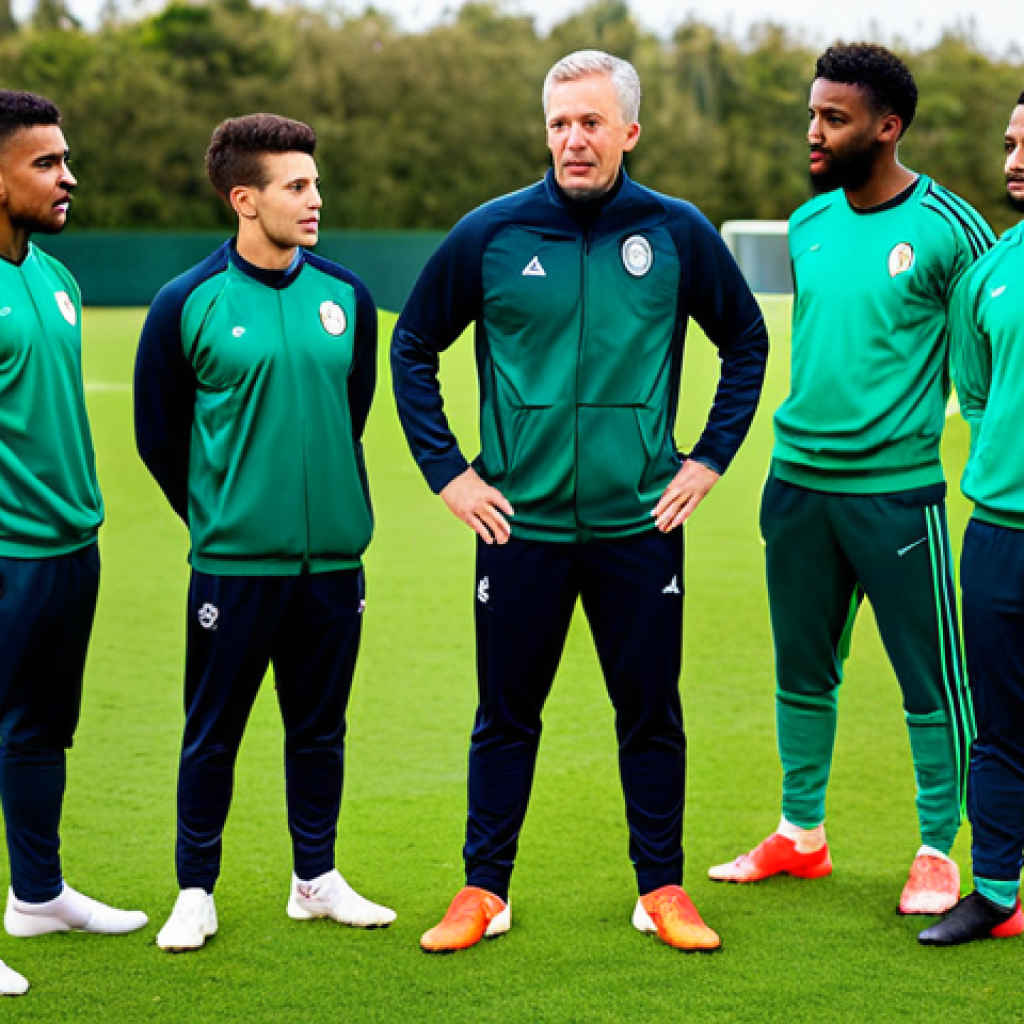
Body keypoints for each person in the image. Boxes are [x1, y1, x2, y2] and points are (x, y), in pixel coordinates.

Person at [393, 49, 769, 953]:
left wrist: (708, 459)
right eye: (560, 122)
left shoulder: (677, 233)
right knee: (504, 715)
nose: (573, 139)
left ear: (629, 131)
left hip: (639, 524)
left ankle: (662, 889)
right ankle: (484, 890)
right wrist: (451, 473)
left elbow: (745, 342)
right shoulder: (491, 233)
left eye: (591, 123)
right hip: (516, 524)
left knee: (650, 710)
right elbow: (412, 346)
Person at [709, 44, 994, 916]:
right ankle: (801, 834)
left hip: (896, 493)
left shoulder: (952, 229)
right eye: (812, 113)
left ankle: (936, 852)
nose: (815, 130)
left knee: (930, 679)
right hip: (796, 486)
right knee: (802, 669)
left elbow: (990, 354)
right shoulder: (807, 224)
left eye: (834, 117)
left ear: (887, 126)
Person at [134, 114, 394, 952]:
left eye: (314, 182)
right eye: (297, 186)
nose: (316, 198)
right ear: (245, 199)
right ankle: (195, 891)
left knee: (321, 730)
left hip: (332, 568)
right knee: (213, 732)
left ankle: (314, 880)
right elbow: (160, 437)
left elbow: (351, 413)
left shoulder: (348, 297)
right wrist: (223, 516)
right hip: (233, 569)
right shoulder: (186, 303)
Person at [0, 90, 148, 996]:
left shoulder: (56, 279)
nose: (70, 177)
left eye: (66, 158)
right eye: (46, 163)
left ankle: (38, 895)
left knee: (43, 728)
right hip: (6, 553)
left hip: (69, 548)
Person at [919, 92, 1024, 946]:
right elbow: (980, 399)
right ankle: (993, 892)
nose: (1014, 160)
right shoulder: (987, 275)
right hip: (998, 539)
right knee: (999, 726)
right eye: (1010, 143)